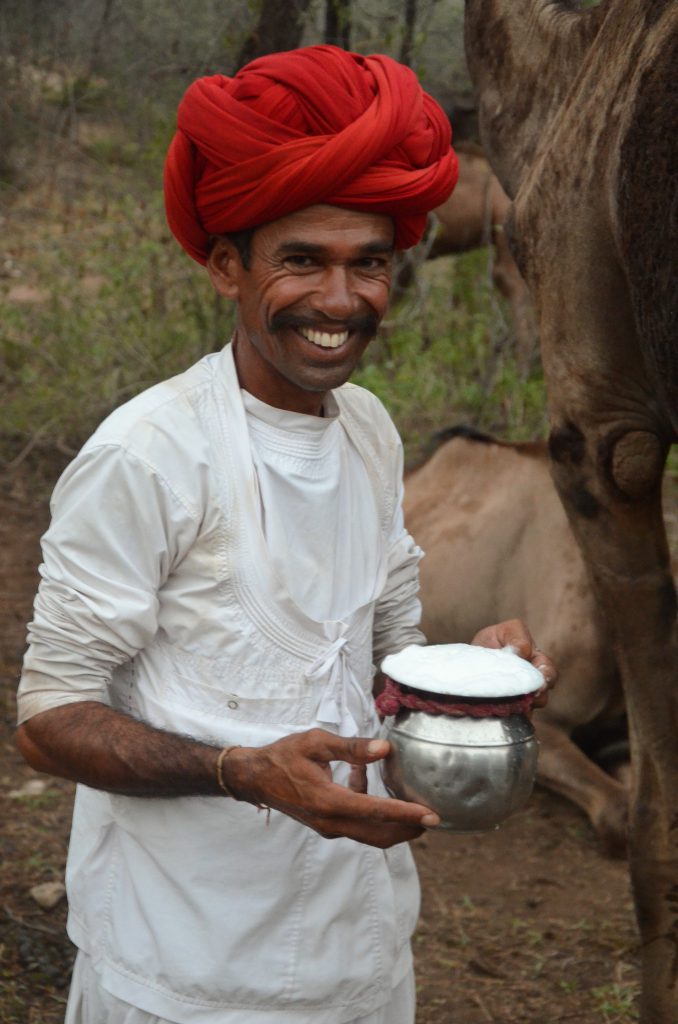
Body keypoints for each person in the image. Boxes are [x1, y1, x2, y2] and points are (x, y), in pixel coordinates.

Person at [16, 45, 555, 1024]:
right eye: (302, 259)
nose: (341, 302)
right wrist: (239, 770)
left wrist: (472, 673)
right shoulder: (146, 455)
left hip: (361, 954)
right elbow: (49, 720)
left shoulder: (369, 431)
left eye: (370, 264)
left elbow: (381, 654)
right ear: (227, 265)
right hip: (179, 969)